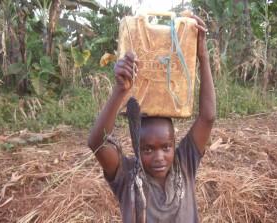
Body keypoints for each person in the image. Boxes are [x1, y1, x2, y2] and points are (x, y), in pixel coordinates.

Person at [88, 15, 216, 223]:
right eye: (148, 149)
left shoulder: (184, 164)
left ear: (175, 144)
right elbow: (97, 143)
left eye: (166, 147)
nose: (159, 157)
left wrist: (203, 57)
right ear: (136, 147)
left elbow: (208, 117)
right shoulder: (127, 176)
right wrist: (121, 90)